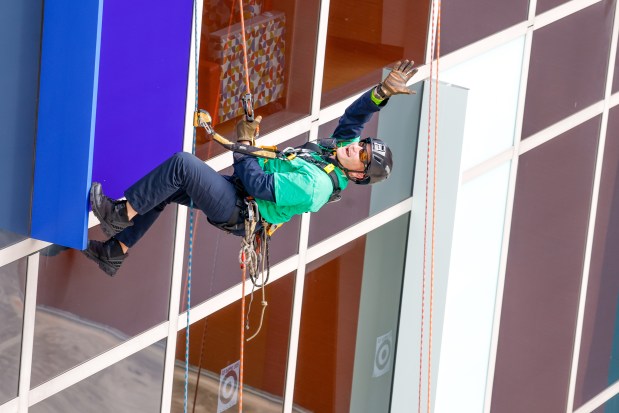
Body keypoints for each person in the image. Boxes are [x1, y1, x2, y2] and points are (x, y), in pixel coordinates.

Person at [83, 60, 418, 276]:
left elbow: (258, 184)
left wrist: (243, 145)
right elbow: (353, 119)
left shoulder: (316, 187)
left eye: (361, 156)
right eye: (362, 145)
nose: (355, 147)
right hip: (239, 194)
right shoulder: (333, 155)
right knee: (169, 188)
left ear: (358, 176)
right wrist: (380, 93)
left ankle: (119, 214)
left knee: (182, 166)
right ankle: (115, 251)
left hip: (239, 208)